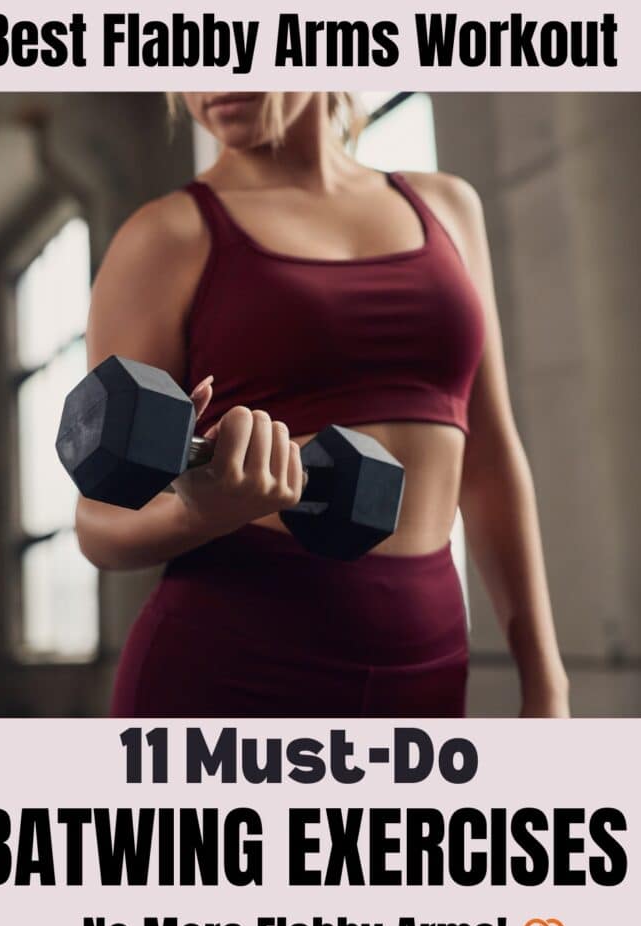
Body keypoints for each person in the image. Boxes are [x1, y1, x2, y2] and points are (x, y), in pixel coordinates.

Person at [75, 91, 570, 718]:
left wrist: (547, 682)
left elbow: (490, 460)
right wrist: (203, 515)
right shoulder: (165, 236)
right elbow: (96, 525)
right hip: (228, 670)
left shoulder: (447, 207)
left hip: (431, 663)